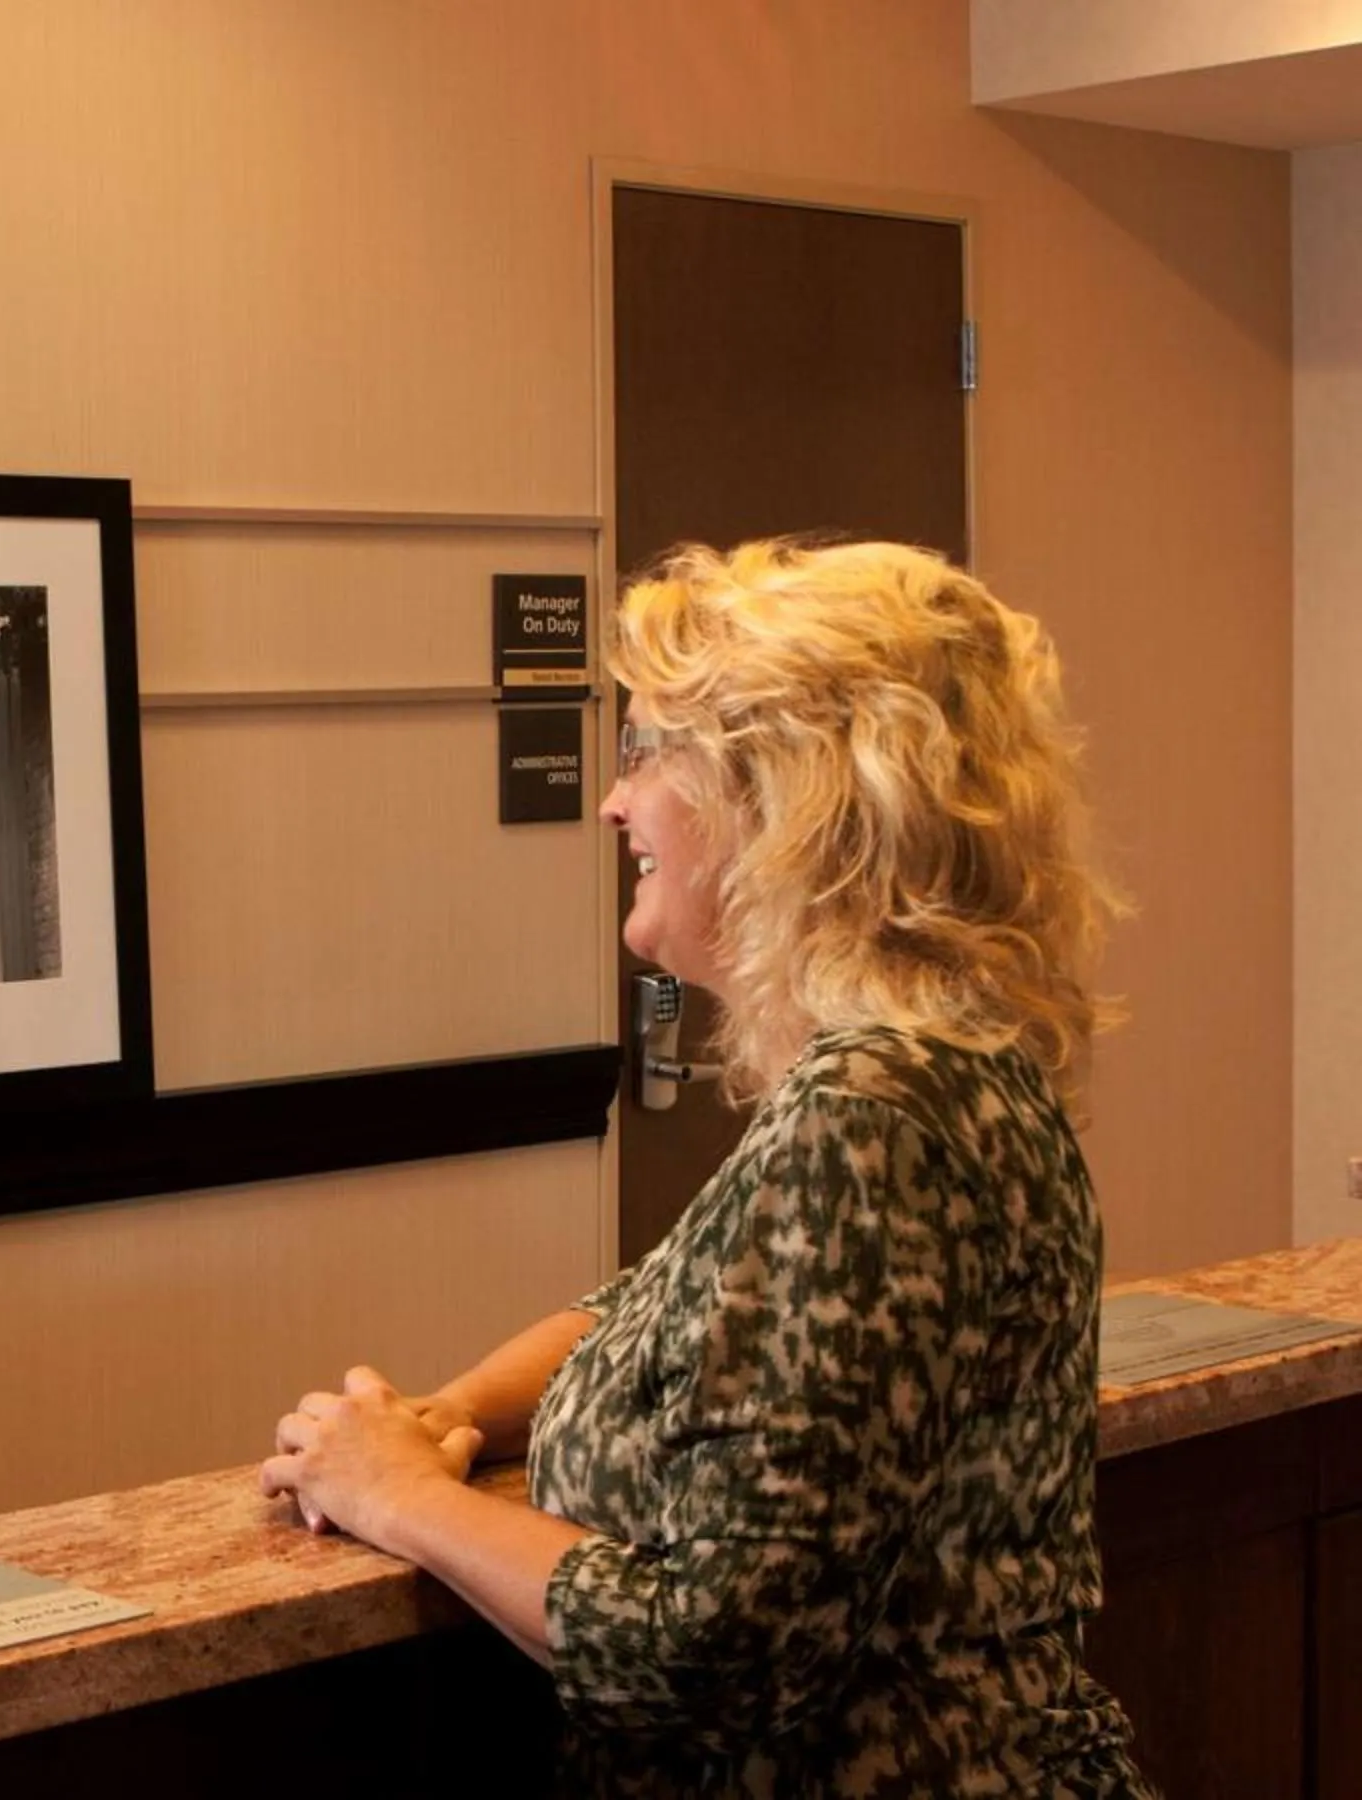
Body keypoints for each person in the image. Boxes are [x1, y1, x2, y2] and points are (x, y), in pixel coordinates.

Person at [262, 540, 1150, 1795]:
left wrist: (399, 1497)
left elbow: (709, 1656)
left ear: (790, 798)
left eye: (648, 752)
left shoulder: (875, 1110)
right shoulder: (928, 1067)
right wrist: (444, 1415)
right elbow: (655, 1308)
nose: (614, 802)